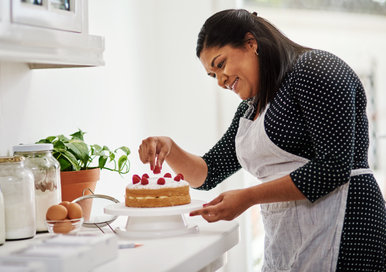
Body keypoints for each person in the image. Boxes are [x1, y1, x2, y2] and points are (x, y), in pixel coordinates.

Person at [138, 9, 386, 272]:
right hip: (291, 240)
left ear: (250, 43)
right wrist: (169, 148)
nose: (220, 81)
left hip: (348, 230)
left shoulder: (315, 69)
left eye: (220, 64)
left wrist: (248, 197)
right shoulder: (249, 109)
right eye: (213, 75)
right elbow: (208, 173)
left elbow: (333, 168)